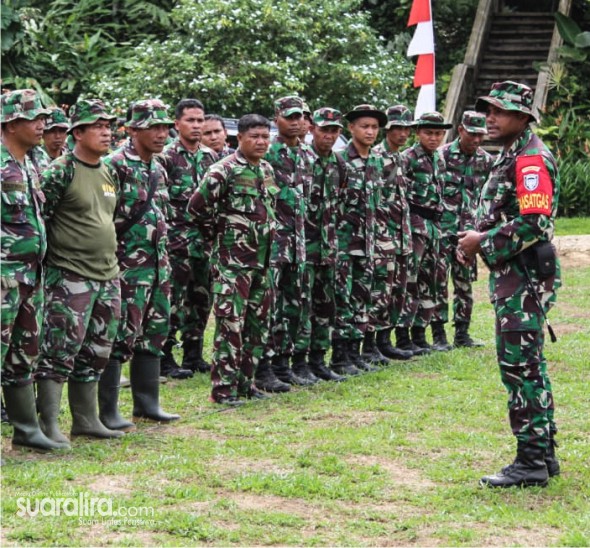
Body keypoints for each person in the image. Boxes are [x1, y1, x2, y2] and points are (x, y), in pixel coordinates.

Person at [459, 81, 561, 488]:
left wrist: (482, 241)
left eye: (499, 111)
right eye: (488, 110)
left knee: (520, 368)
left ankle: (530, 461)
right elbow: (504, 211)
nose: (490, 118)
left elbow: (536, 222)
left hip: (525, 280)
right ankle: (544, 454)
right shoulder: (512, 156)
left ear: (523, 118)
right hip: (515, 276)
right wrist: (474, 236)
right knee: (528, 366)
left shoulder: (530, 160)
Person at [35, 99, 125, 442]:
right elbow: (41, 219)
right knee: (60, 350)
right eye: (98, 126)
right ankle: (49, 425)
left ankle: (86, 420)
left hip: (107, 274)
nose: (106, 132)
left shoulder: (107, 169)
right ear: (78, 132)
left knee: (97, 352)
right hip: (70, 275)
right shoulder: (59, 170)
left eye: (108, 126)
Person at [188, 114, 278, 406]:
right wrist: (219, 234)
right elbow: (196, 208)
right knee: (230, 326)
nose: (262, 142)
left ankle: (245, 384)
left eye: (265, 136)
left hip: (262, 261)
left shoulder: (265, 168)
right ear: (238, 138)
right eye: (255, 136)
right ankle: (223, 390)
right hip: (232, 263)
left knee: (257, 325)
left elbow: (270, 205)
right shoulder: (222, 170)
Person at [105, 99, 180, 423]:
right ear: (133, 129)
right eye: (153, 127)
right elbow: (102, 217)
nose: (161, 133)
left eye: (165, 127)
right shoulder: (114, 165)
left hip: (158, 264)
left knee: (154, 331)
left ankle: (147, 404)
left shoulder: (157, 166)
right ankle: (107, 411)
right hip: (127, 265)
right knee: (120, 333)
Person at [1, 89, 61, 452]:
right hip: (4, 276)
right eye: (34, 118)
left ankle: (25, 430)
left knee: (25, 351)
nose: (43, 125)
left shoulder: (34, 162)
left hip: (31, 276)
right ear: (10, 122)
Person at [160, 99, 218, 378]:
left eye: (200, 120)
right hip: (176, 243)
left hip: (204, 243)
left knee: (201, 298)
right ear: (177, 124)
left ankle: (193, 353)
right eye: (191, 120)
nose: (197, 125)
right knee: (172, 301)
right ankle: (165, 354)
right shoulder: (167, 156)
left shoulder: (210, 157)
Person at [261, 95, 316, 390]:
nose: (297, 123)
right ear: (277, 118)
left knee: (295, 305)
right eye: (290, 117)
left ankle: (285, 363)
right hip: (272, 242)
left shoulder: (307, 155)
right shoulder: (266, 151)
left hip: (299, 241)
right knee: (269, 306)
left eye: (301, 117)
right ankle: (263, 365)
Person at [331, 104, 387, 375]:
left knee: (362, 298)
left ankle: (356, 352)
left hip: (369, 243)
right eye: (364, 126)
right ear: (351, 128)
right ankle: (340, 356)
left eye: (374, 127)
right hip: (344, 244)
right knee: (343, 300)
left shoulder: (377, 160)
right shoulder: (339, 159)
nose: (370, 131)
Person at [293, 107, 346, 382]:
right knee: (303, 307)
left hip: (328, 247)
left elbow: (341, 202)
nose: (329, 135)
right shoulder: (302, 159)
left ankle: (318, 359)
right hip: (305, 247)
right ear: (313, 129)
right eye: (324, 130)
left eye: (334, 130)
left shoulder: (338, 163)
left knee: (326, 305)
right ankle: (298, 362)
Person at [434, 111, 493, 348]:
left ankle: (462, 333)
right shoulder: (441, 156)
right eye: (472, 134)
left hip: (467, 234)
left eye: (481, 135)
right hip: (441, 231)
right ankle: (438, 335)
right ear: (460, 130)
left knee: (464, 285)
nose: (476, 140)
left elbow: (488, 197)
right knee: (437, 285)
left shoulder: (486, 161)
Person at [397, 112, 452, 354]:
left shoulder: (439, 158)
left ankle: (421, 333)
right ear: (418, 132)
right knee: (410, 281)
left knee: (433, 280)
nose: (434, 137)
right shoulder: (407, 158)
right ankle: (402, 335)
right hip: (414, 225)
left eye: (438, 133)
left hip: (435, 227)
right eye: (429, 132)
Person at [370, 105, 415, 362]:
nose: (402, 133)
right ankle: (373, 342)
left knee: (397, 289)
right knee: (379, 290)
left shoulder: (400, 157)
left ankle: (386, 339)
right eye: (397, 128)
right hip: (382, 235)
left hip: (401, 234)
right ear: (388, 129)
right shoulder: (377, 156)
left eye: (406, 128)